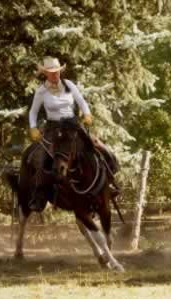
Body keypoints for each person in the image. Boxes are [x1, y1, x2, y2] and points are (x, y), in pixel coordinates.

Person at [27, 57, 120, 211]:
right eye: (51, 72)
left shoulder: (68, 85)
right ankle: (39, 196)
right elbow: (33, 112)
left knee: (97, 145)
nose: (54, 75)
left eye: (56, 71)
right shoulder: (41, 91)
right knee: (42, 158)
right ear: (45, 74)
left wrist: (87, 114)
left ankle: (110, 181)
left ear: (59, 71)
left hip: (72, 124)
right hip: (53, 128)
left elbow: (81, 101)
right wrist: (33, 127)